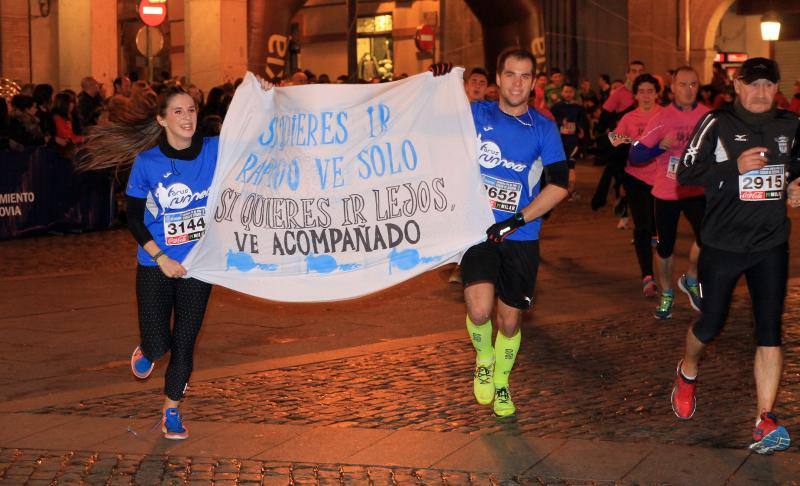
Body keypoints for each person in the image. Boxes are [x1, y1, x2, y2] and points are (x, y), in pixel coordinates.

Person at [78, 79, 273, 440]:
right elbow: (134, 218)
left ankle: (171, 410)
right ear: (162, 119)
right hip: (156, 263)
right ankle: (148, 349)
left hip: (199, 264)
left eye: (192, 110)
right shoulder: (147, 162)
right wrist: (161, 256)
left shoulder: (215, 149)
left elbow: (258, 137)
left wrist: (263, 95)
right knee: (159, 345)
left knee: (185, 341)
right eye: (178, 111)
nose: (187, 117)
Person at [671, 57, 800, 454]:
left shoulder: (791, 124)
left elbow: (796, 166)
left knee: (769, 330)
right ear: (738, 86)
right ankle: (687, 371)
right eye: (753, 84)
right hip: (722, 245)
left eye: (768, 85)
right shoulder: (717, 122)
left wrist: (796, 185)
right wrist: (733, 168)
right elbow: (685, 174)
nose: (761, 92)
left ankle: (765, 418)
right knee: (710, 323)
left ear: (776, 88)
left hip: (770, 243)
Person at [432, 49, 569, 417]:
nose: (516, 83)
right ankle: (484, 357)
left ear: (534, 82)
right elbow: (431, 118)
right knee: (479, 311)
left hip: (521, 236)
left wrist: (516, 221)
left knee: (509, 321)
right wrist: (436, 82)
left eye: (524, 76)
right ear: (498, 77)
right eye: (510, 74)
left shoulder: (543, 128)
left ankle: (503, 381)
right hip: (477, 230)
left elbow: (559, 185)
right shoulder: (477, 114)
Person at [629, 66, 707, 319]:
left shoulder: (707, 116)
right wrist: (659, 149)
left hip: (696, 189)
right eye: (683, 84)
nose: (688, 90)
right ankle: (667, 293)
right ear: (672, 88)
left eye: (693, 84)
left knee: (709, 238)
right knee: (665, 247)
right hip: (667, 192)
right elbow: (636, 154)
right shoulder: (662, 117)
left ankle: (691, 278)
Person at [608, 73, 663, 297]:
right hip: (636, 178)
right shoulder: (629, 118)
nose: (646, 96)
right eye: (642, 92)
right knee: (642, 227)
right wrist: (625, 142)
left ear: (657, 94)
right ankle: (647, 277)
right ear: (635, 95)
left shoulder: (666, 115)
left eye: (650, 91)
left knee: (659, 227)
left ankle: (663, 268)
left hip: (662, 179)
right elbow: (615, 142)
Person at [550, 83, 588, 197]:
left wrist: (581, 131)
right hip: (559, 142)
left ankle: (571, 190)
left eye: (570, 92)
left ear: (574, 93)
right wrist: (560, 124)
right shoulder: (556, 107)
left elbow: (583, 124)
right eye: (566, 91)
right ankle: (559, 190)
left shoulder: (579, 108)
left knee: (571, 166)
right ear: (562, 93)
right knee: (560, 165)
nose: (568, 94)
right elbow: (550, 122)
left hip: (572, 142)